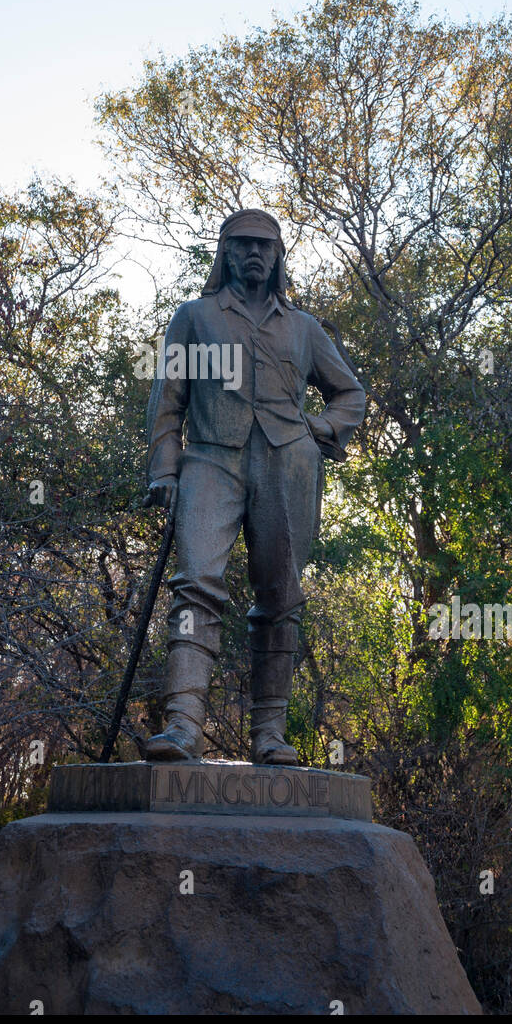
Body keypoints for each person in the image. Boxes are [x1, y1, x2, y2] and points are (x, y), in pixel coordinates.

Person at [143, 209, 366, 764]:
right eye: (242, 244)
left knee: (281, 597)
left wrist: (315, 431)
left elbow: (350, 396)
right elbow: (168, 400)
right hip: (210, 460)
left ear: (278, 256)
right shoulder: (194, 317)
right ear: (224, 252)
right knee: (195, 582)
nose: (254, 254)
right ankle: (183, 724)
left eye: (264, 246)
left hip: (286, 466)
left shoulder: (304, 328)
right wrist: (165, 470)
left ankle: (269, 734)